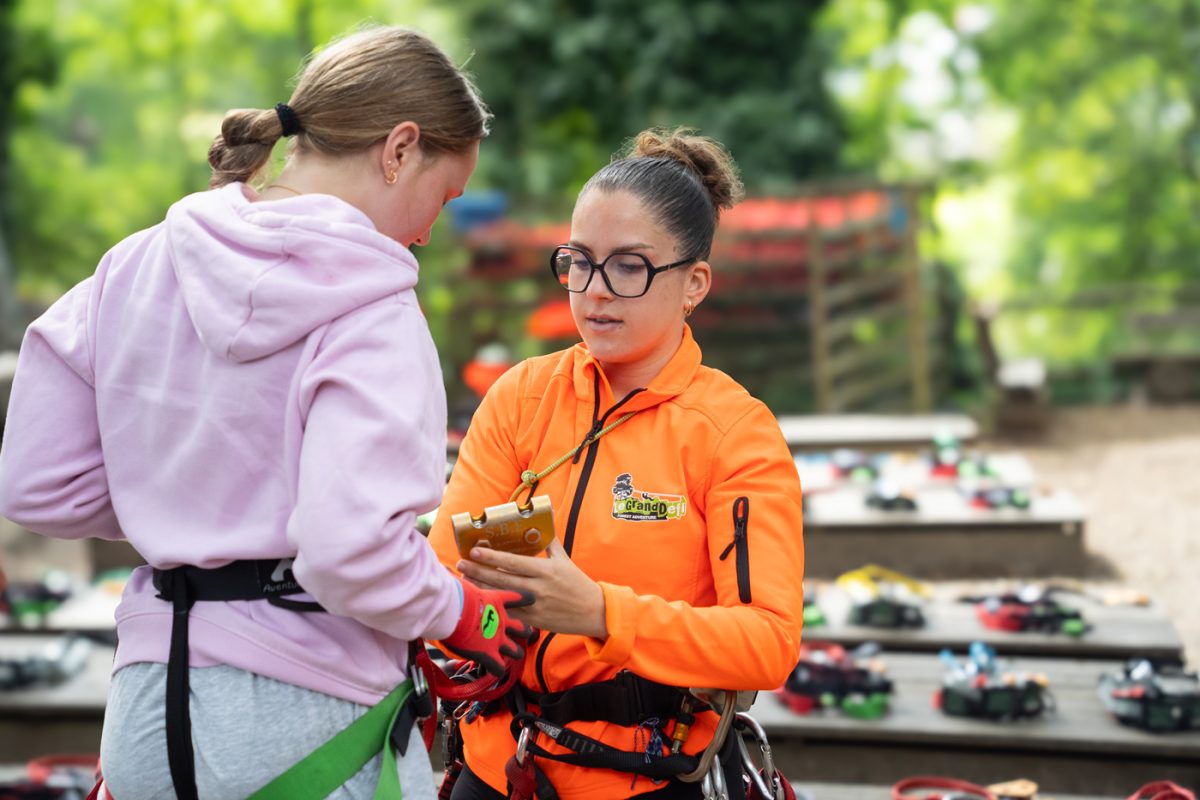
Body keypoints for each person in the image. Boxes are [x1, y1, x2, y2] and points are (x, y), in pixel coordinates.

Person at [0, 25, 534, 800]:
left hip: (149, 715)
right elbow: (352, 553)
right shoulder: (373, 308)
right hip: (310, 721)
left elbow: (33, 483)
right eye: (443, 195)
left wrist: (192, 504)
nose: (428, 229)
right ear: (399, 148)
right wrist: (463, 611)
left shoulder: (137, 264)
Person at [427, 128, 805, 800]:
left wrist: (602, 613)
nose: (593, 291)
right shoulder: (521, 396)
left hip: (648, 776)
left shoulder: (734, 433)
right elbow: (445, 562)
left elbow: (767, 641)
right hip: (498, 765)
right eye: (578, 260)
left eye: (628, 266)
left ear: (693, 284)